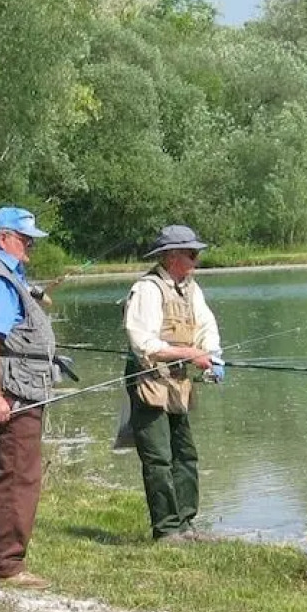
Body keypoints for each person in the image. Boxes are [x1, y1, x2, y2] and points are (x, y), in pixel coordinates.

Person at [0, 206, 59, 589]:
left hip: (18, 384)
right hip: (13, 387)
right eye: (25, 240)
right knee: (19, 475)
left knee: (16, 472)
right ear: (3, 237)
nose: (30, 248)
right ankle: (5, 566)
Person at [122, 225, 222, 542]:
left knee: (186, 455)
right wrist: (190, 354)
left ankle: (186, 523)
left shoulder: (192, 288)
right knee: (158, 458)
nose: (196, 258)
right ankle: (165, 529)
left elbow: (206, 326)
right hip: (148, 382)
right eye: (191, 253)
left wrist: (213, 358)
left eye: (196, 253)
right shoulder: (147, 290)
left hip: (178, 382)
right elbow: (143, 343)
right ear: (170, 256)